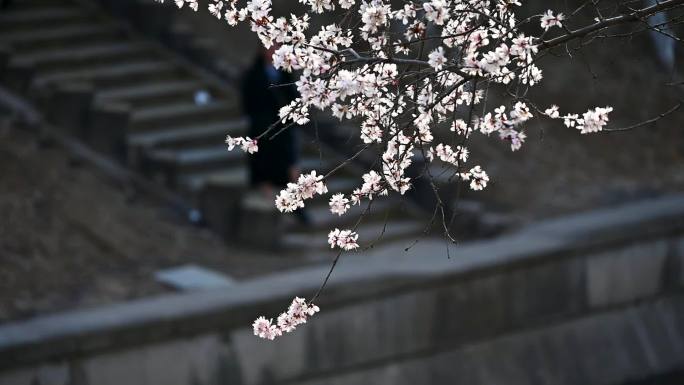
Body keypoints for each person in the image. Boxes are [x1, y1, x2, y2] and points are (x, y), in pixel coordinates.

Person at [241, 45, 310, 224]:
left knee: (290, 168)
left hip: (283, 128)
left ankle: (298, 210)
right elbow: (248, 102)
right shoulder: (254, 74)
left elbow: (292, 96)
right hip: (262, 129)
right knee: (265, 168)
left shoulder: (284, 72)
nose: (273, 52)